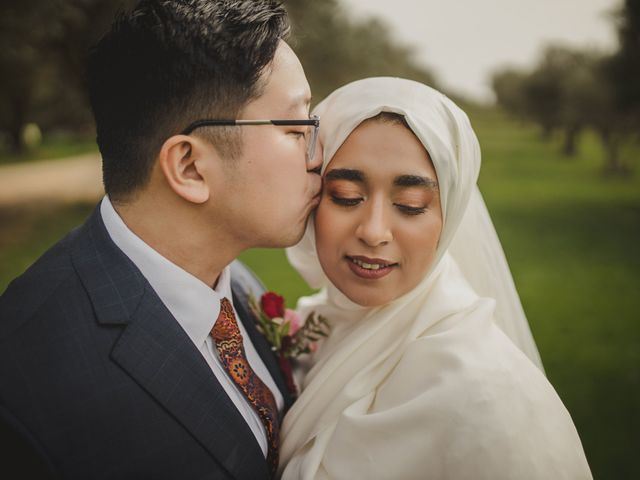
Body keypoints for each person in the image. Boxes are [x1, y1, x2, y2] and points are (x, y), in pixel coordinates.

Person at [0, 1, 321, 478]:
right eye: (297, 128)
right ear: (190, 167)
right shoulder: (22, 385)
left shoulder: (238, 284)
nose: (318, 156)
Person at [280, 77, 592, 479]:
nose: (374, 232)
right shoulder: (312, 329)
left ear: (452, 213)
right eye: (345, 196)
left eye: (410, 206)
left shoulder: (491, 399)